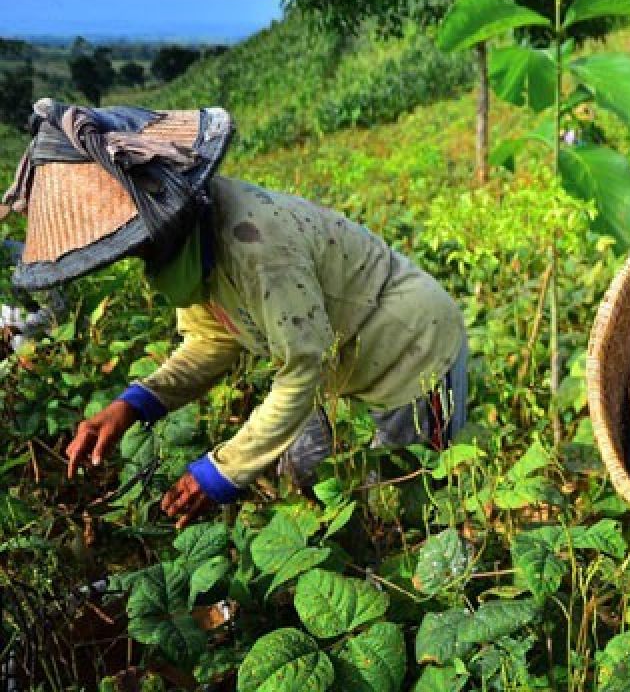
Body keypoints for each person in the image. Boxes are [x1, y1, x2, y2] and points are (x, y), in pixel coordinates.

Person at [2, 98, 468, 529]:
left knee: (406, 509)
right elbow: (212, 340)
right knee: (304, 485)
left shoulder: (256, 247)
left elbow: (301, 368)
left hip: (408, 352)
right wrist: (133, 404)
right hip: (334, 362)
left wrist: (219, 473)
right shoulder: (187, 246)